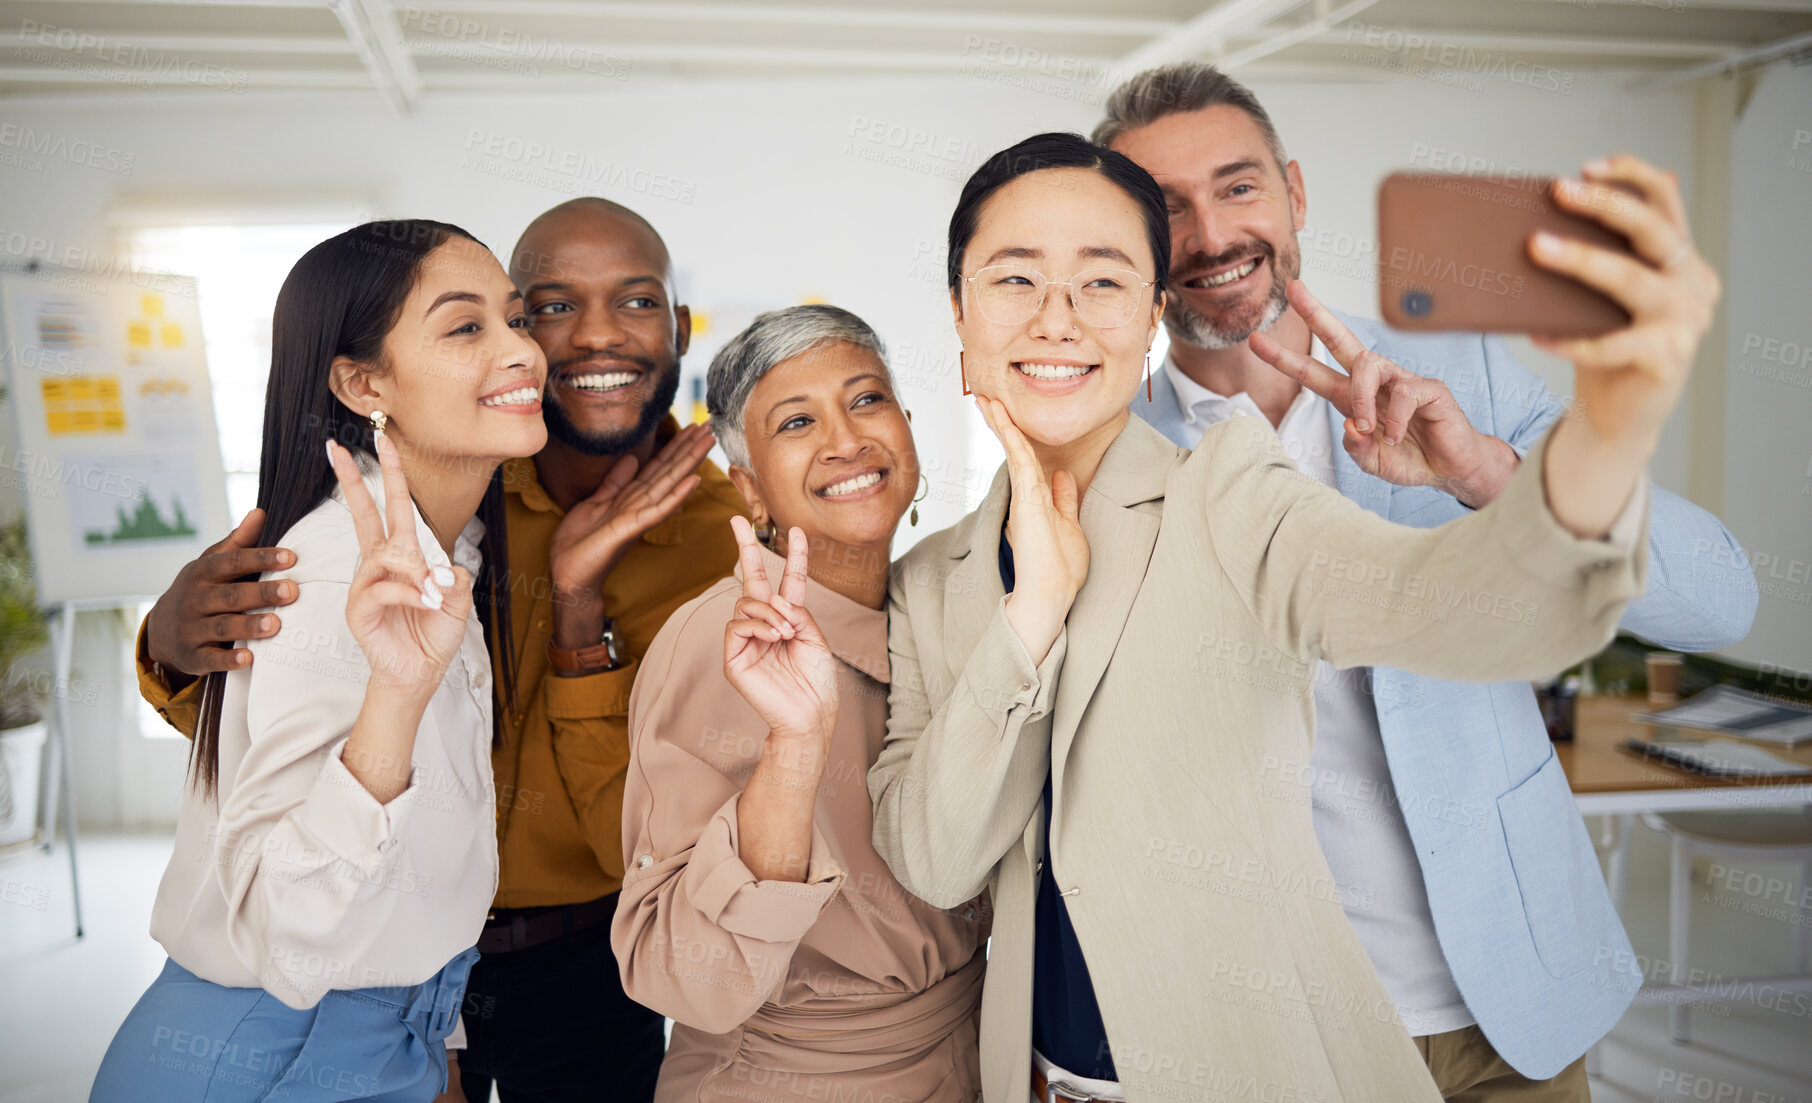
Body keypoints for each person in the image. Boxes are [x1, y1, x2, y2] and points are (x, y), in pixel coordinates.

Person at [866, 131, 1724, 1103]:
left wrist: (1611, 431)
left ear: (1153, 316)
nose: (1056, 320)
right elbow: (933, 857)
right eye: (1015, 279)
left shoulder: (1227, 494)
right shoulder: (931, 578)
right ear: (958, 310)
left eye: (1102, 283)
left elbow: (1451, 605)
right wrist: (1031, 618)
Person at [1093, 62, 1757, 1099]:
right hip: (1280, 1033)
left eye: (1237, 186)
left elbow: (1719, 599)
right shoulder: (1103, 468)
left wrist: (1488, 475)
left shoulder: (1465, 379)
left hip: (1510, 1008)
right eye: (1163, 208)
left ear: (1296, 192)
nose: (1213, 234)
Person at [132, 199, 746, 1102]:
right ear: (363, 383)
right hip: (352, 987)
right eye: (545, 308)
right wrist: (169, 644)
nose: (584, 339)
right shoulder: (427, 510)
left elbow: (654, 826)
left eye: (637, 302)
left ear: (680, 327)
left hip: (544, 963)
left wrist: (578, 610)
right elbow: (273, 750)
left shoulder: (718, 536)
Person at [91, 220, 546, 1101]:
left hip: (369, 1036)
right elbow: (288, 928)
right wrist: (396, 699)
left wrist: (435, 1032)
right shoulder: (336, 566)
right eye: (466, 327)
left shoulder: (451, 549)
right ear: (361, 381)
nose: (521, 350)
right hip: (269, 1052)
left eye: (515, 318)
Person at [612, 306, 987, 1101]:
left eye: (866, 399)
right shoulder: (724, 641)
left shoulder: (948, 604)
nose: (845, 440)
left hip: (969, 1055)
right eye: (796, 421)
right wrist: (794, 747)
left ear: (910, 427)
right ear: (747, 487)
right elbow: (675, 970)